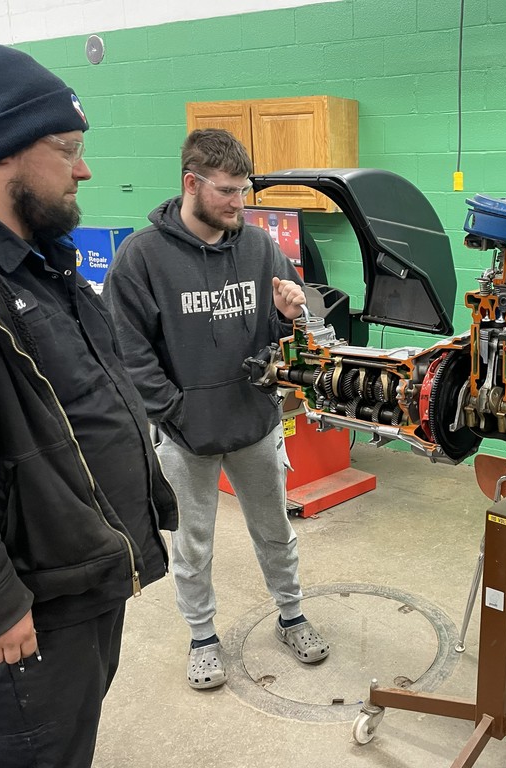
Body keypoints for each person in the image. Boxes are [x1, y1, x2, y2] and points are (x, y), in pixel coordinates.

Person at [0, 39, 178, 768]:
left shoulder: (37, 253)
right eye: (68, 147)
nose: (85, 167)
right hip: (26, 605)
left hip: (85, 570)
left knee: (70, 736)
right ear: (5, 149)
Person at [104, 128, 329, 690]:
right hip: (185, 436)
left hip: (255, 425)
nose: (240, 202)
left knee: (274, 530)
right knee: (192, 541)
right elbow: (128, 349)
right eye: (228, 190)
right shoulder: (142, 257)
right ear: (191, 183)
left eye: (244, 189)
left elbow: (291, 327)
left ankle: (291, 614)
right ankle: (202, 636)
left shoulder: (258, 247)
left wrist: (287, 315)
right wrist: (175, 411)